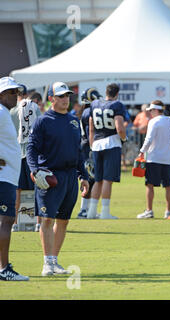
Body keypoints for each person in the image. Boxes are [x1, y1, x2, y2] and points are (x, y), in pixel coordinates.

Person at [27, 81, 89, 276]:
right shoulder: (43, 121)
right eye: (61, 96)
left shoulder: (73, 121)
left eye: (67, 95)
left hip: (70, 176)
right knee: (47, 219)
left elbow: (77, 152)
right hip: (50, 176)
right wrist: (35, 170)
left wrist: (83, 176)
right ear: (51, 98)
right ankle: (47, 264)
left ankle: (54, 262)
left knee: (63, 221)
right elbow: (31, 148)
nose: (65, 99)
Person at [0, 77, 29, 281]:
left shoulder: (4, 113)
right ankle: (4, 269)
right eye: (11, 92)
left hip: (7, 175)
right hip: (3, 176)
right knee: (6, 219)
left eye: (16, 92)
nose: (15, 96)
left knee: (6, 220)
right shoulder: (1, 112)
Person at [86, 83, 127, 219]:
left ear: (106, 92)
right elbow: (119, 128)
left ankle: (91, 212)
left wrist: (92, 145)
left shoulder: (95, 104)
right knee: (107, 180)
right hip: (111, 143)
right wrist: (124, 138)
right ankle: (104, 212)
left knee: (98, 180)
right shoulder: (117, 105)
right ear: (117, 93)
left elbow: (91, 127)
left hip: (97, 144)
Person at [9, 84, 42, 232]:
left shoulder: (10, 110)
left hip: (17, 152)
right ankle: (38, 223)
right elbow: (42, 127)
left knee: (17, 190)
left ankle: (15, 223)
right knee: (38, 187)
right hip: (33, 152)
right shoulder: (33, 107)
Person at [137, 101, 170, 219]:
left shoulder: (153, 121)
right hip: (167, 157)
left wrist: (142, 151)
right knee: (168, 185)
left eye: (151, 110)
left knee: (149, 184)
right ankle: (168, 211)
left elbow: (149, 138)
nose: (150, 113)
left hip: (153, 157)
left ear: (156, 110)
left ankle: (149, 210)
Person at [76, 87, 102, 219]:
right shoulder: (89, 112)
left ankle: (85, 209)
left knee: (89, 179)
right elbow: (89, 132)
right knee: (90, 179)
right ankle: (84, 210)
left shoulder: (84, 112)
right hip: (88, 148)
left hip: (84, 147)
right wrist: (93, 147)